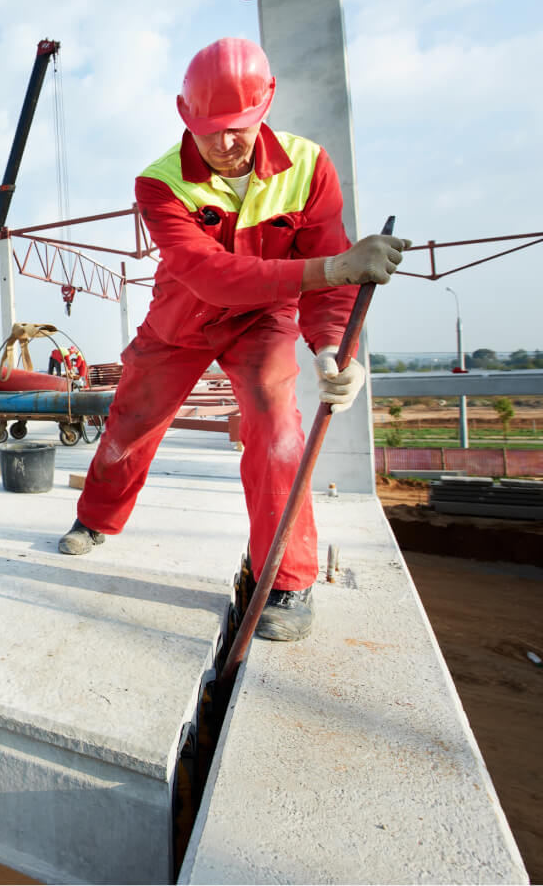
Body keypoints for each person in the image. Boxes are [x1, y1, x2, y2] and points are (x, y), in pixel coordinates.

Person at [58, 38, 410, 642]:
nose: (225, 145)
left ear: (266, 106)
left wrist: (330, 348)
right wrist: (332, 270)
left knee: (277, 431)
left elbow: (330, 275)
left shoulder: (309, 167)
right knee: (130, 421)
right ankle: (96, 518)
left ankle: (288, 579)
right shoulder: (159, 182)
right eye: (210, 130)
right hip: (181, 320)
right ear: (183, 116)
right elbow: (210, 275)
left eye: (240, 128)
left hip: (264, 320)